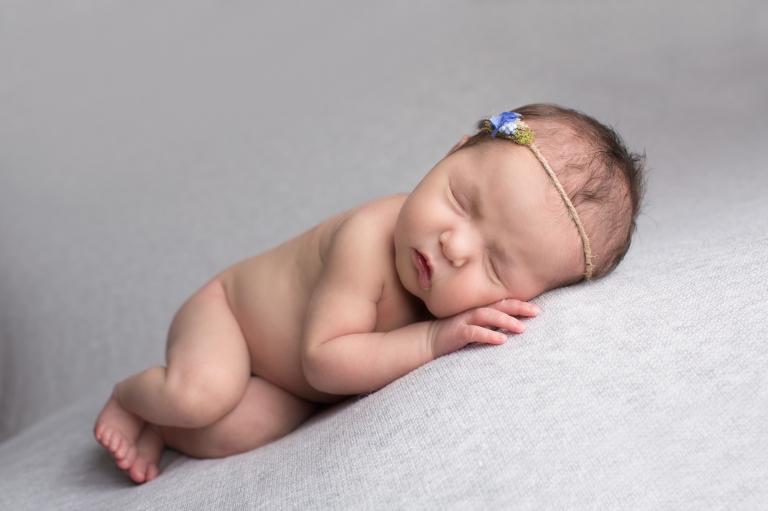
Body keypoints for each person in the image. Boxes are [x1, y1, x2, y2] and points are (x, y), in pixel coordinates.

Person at [94, 103, 646, 483]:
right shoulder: (368, 235)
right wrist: (433, 339)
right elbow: (324, 361)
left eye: (495, 264)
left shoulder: (455, 278)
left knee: (238, 431)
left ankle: (158, 426)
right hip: (231, 316)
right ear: (451, 152)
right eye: (460, 201)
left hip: (288, 384)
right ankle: (131, 396)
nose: (455, 245)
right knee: (201, 396)